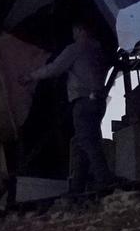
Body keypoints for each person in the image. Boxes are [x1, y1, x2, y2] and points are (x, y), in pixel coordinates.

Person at [26, 21, 114, 194]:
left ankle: (105, 181)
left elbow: (55, 68)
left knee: (88, 142)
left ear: (80, 29)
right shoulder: (98, 50)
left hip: (82, 100)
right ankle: (77, 186)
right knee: (82, 141)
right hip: (98, 101)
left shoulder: (76, 48)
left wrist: (31, 76)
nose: (73, 34)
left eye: (74, 30)